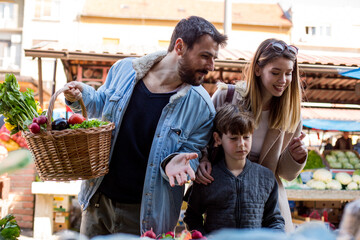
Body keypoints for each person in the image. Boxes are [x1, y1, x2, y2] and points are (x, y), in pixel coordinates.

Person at [63, 16, 227, 238]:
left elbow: (193, 153)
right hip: (97, 202)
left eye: (213, 58)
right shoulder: (124, 70)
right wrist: (80, 95)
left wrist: (174, 163)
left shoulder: (201, 106)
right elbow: (100, 105)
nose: (211, 66)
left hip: (146, 215)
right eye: (205, 56)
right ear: (179, 47)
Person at [195, 38, 308, 232]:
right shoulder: (226, 97)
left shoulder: (292, 114)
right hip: (227, 199)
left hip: (269, 202)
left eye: (289, 74)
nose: (283, 81)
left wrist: (297, 157)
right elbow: (201, 140)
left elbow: (287, 174)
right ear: (257, 69)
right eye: (275, 72)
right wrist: (203, 158)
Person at [183, 104, 285, 235]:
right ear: (218, 139)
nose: (241, 144)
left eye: (246, 137)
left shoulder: (266, 177)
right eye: (233, 138)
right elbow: (192, 217)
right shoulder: (207, 178)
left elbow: (274, 220)